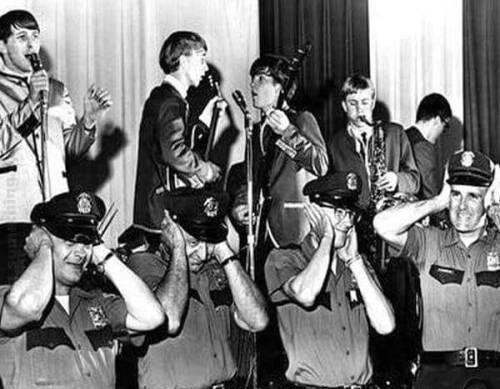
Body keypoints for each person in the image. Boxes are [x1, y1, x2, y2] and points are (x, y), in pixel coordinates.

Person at [0, 191, 165, 389]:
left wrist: (102, 254)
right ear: (46, 240)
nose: (80, 252)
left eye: (86, 242)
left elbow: (152, 317)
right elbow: (27, 306)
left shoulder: (96, 302)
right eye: (70, 241)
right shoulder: (10, 300)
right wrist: (44, 249)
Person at [127, 187, 269, 389]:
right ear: (170, 230)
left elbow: (257, 320)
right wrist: (179, 249)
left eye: (208, 242)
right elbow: (170, 318)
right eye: (193, 241)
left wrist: (226, 254)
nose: (202, 253)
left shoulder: (213, 268)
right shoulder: (145, 266)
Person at [374, 150, 500, 389]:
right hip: (439, 386)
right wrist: (436, 201)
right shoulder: (429, 243)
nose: (462, 205)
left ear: (488, 199)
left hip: (495, 383)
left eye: (474, 196)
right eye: (456, 194)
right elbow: (381, 224)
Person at [265, 171, 395, 389]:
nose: (346, 221)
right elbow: (306, 294)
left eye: (349, 213)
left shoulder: (357, 268)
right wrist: (325, 238)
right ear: (314, 212)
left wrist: (356, 262)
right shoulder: (285, 259)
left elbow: (386, 324)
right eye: (337, 212)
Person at [0, 10, 112, 282]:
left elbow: (71, 151)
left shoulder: (57, 90)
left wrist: (88, 120)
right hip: (14, 213)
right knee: (17, 293)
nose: (31, 46)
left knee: (58, 294)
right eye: (21, 37)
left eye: (35, 38)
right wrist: (30, 102)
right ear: (1, 46)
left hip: (58, 214)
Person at [228, 54, 329, 250]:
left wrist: (288, 132)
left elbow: (321, 164)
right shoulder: (256, 130)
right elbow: (252, 172)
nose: (252, 86)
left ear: (279, 87)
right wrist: (241, 203)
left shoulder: (301, 120)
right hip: (261, 228)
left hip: (292, 227)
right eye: (252, 80)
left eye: (260, 79)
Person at [133, 31, 223, 230]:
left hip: (154, 208)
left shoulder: (164, 97)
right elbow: (174, 152)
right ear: (184, 60)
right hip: (161, 212)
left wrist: (204, 120)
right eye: (201, 59)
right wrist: (205, 170)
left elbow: (166, 148)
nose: (205, 68)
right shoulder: (171, 102)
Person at [329, 74, 419, 211]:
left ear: (373, 102)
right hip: (354, 220)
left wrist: (397, 179)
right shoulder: (335, 143)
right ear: (344, 106)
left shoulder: (396, 133)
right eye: (353, 103)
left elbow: (415, 181)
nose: (360, 110)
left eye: (365, 102)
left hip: (390, 217)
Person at [406, 93, 452, 200]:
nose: (442, 133)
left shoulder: (403, 135)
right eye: (444, 127)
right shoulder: (423, 147)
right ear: (437, 120)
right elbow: (430, 195)